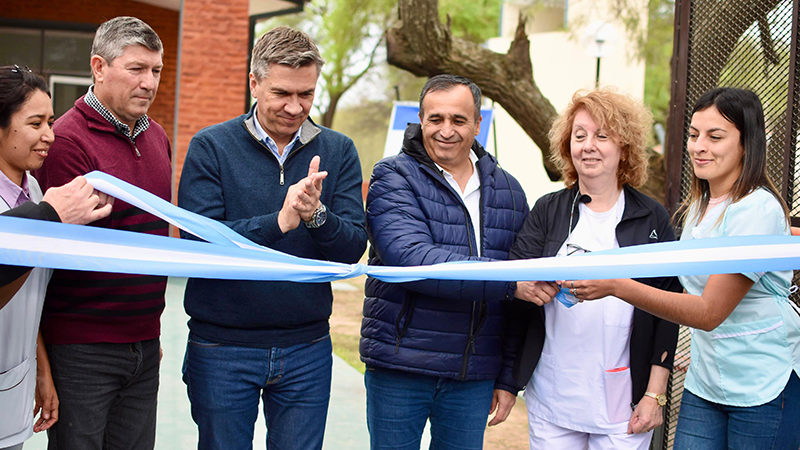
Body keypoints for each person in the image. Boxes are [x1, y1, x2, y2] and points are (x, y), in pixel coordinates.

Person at [571, 87, 800, 448]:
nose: (699, 146)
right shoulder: (700, 206)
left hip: (763, 387)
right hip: (706, 382)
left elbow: (709, 313)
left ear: (747, 143)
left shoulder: (757, 208)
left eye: (715, 136)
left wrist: (618, 285)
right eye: (694, 135)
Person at [177, 26, 367, 450]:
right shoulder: (211, 146)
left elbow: (353, 246)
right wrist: (279, 221)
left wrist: (316, 216)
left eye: (306, 94)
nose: (295, 106)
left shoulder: (339, 151)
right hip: (222, 345)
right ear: (254, 83)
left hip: (308, 345)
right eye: (282, 93)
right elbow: (197, 242)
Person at [360, 74, 529, 449]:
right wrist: (508, 283)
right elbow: (412, 259)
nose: (446, 130)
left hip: (473, 374)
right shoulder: (392, 176)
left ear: (478, 124)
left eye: (458, 120)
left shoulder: (510, 192)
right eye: (435, 119)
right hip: (401, 366)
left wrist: (507, 378)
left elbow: (523, 296)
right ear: (421, 120)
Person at [507, 89, 681, 449]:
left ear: (625, 147)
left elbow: (668, 308)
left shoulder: (652, 217)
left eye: (602, 136)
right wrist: (524, 286)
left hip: (624, 404)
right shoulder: (548, 210)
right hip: (554, 396)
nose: (589, 146)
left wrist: (655, 394)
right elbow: (514, 281)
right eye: (580, 135)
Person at [32, 16, 171, 450]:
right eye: (136, 69)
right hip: (82, 348)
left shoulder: (158, 138)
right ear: (98, 67)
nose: (149, 82)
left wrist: (147, 332)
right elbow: (62, 251)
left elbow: (153, 238)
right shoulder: (67, 142)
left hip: (145, 344)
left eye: (156, 70)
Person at [0, 65, 112, 450]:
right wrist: (49, 219)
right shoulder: (43, 207)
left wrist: (42, 372)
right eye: (35, 123)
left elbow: (29, 295)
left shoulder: (32, 188)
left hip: (13, 385)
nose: (50, 135)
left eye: (50, 121)